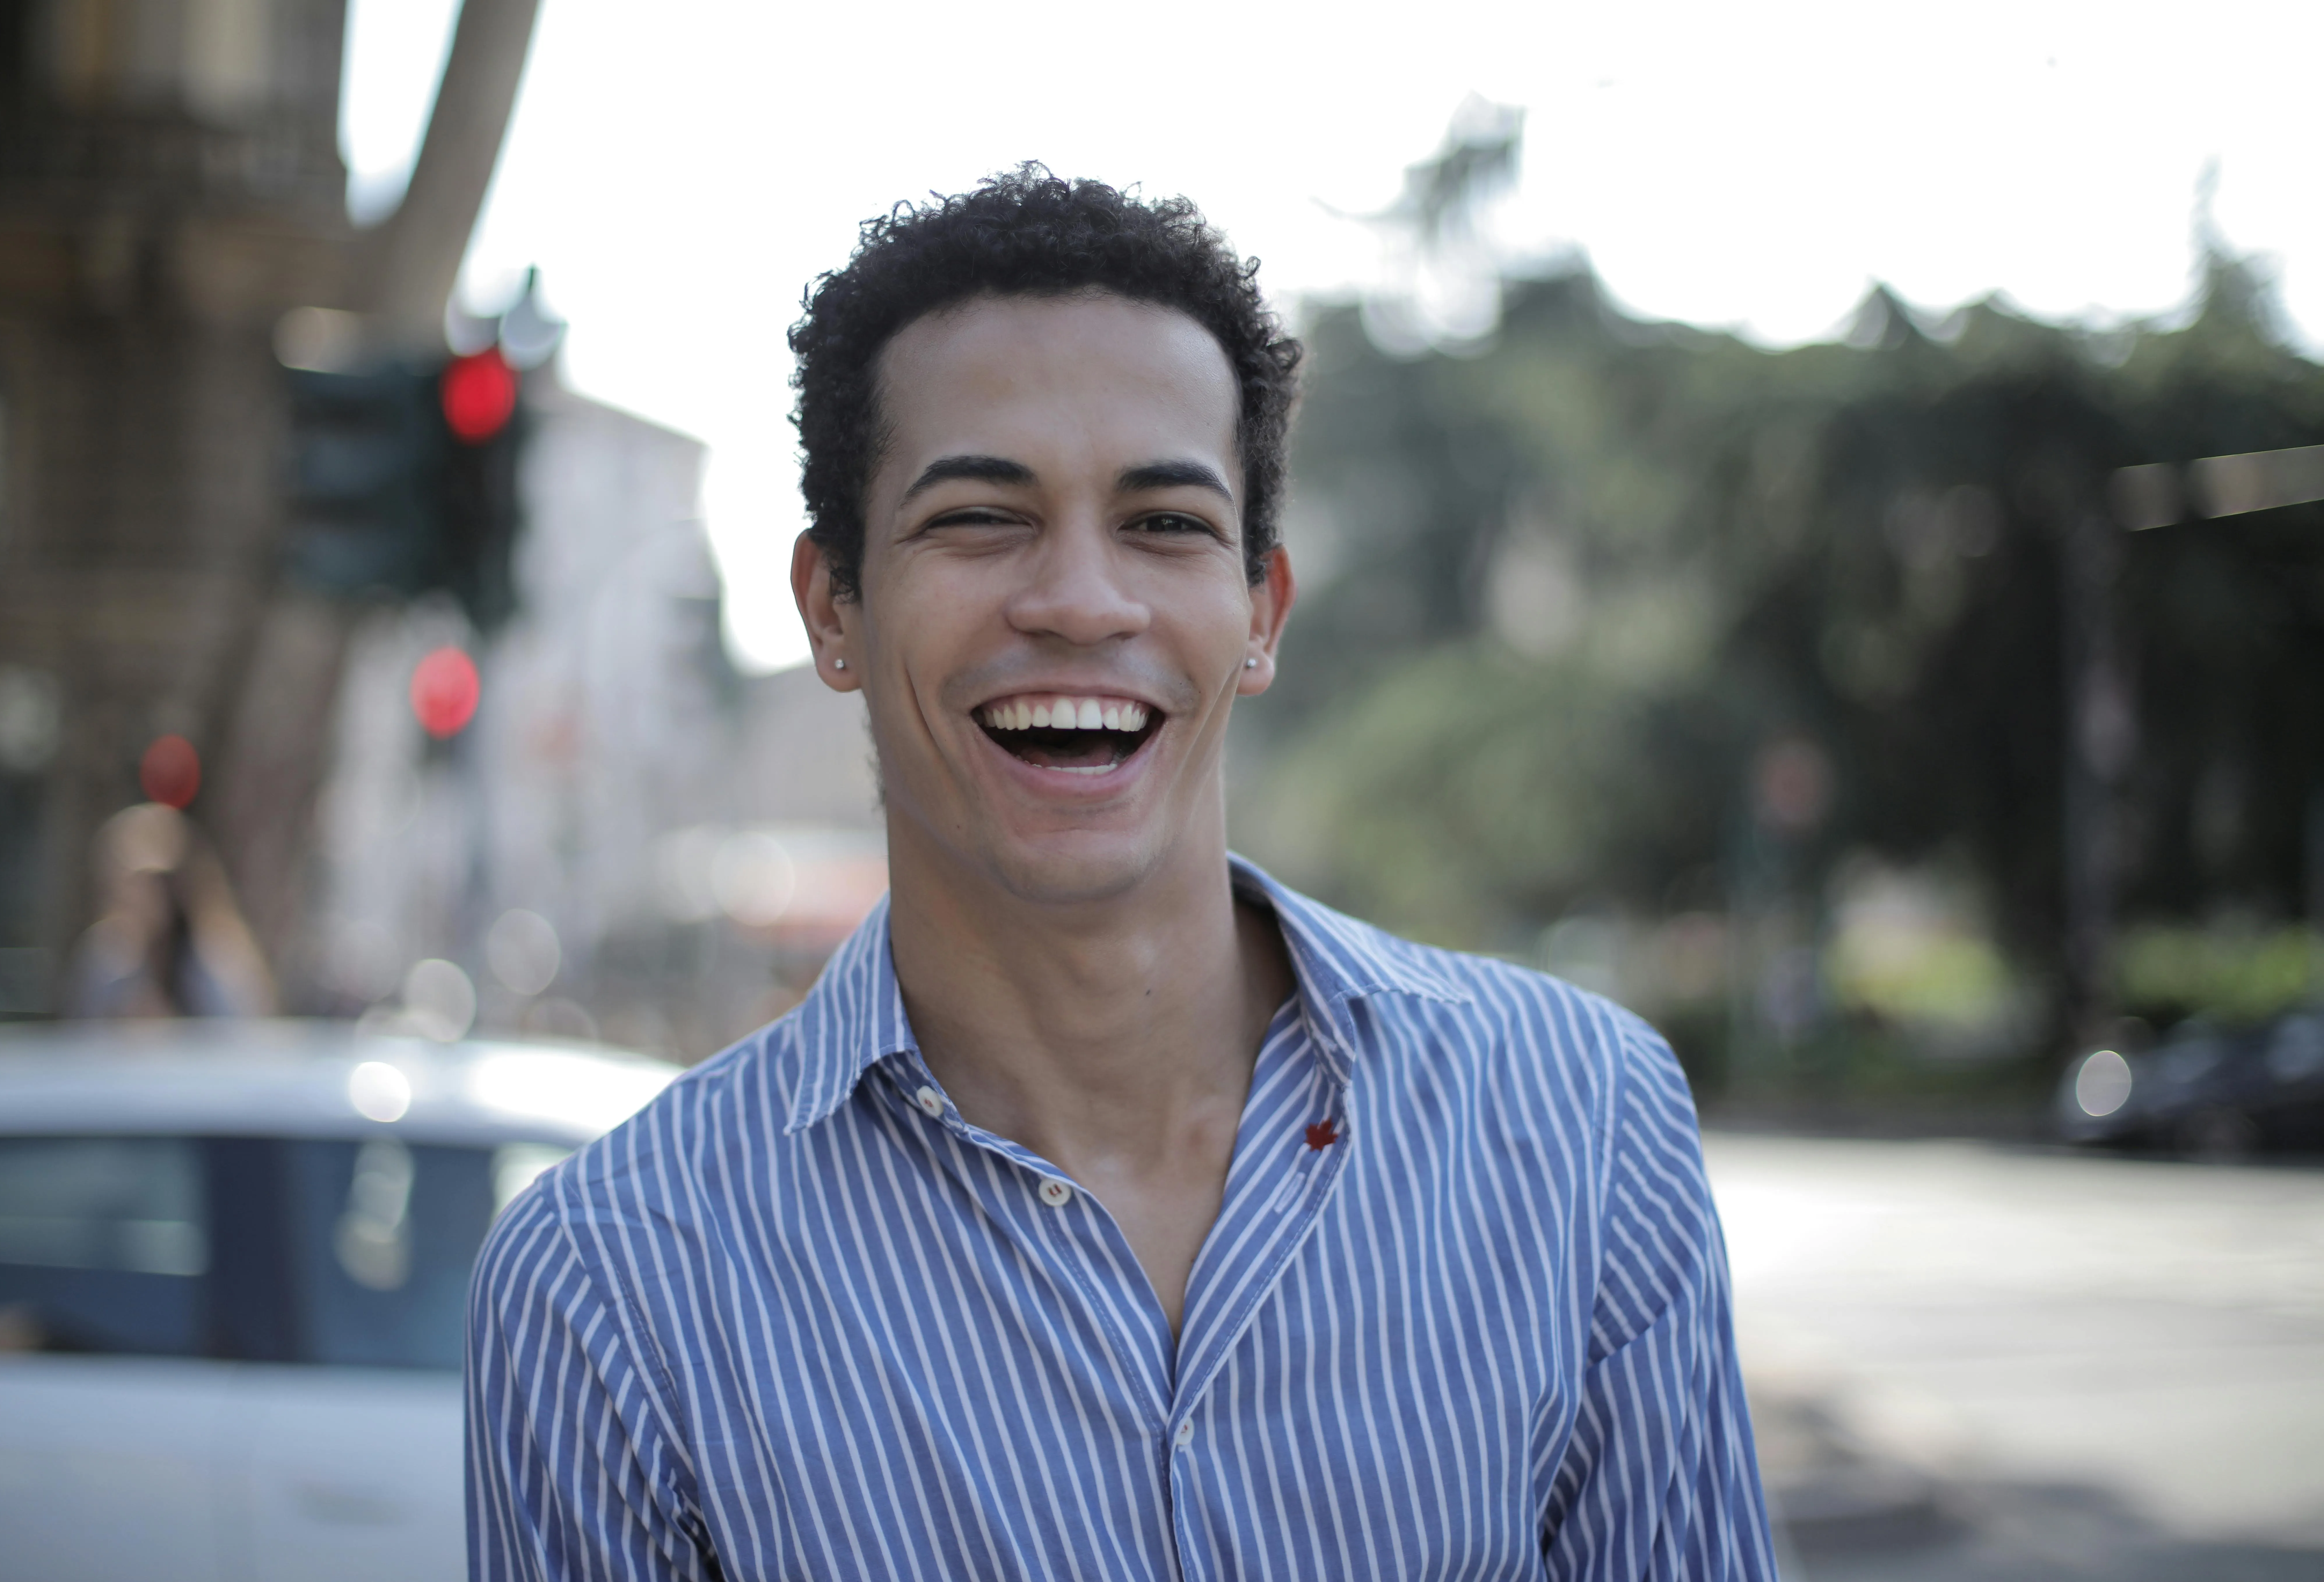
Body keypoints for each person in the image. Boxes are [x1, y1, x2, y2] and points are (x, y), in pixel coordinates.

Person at [467, 167, 1776, 1581]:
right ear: (831, 606)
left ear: (1259, 614)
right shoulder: (608, 1288)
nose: (1082, 600)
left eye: (1164, 524)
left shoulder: (1583, 1131)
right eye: (979, 518)